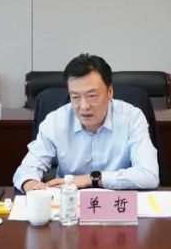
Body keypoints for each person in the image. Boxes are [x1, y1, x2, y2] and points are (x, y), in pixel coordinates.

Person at [13, 53, 159, 191]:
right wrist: (30, 183)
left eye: (92, 96)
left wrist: (91, 179)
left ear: (110, 92)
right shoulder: (55, 121)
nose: (83, 106)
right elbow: (27, 169)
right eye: (75, 97)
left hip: (117, 202)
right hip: (69, 201)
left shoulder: (132, 117)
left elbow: (149, 175)